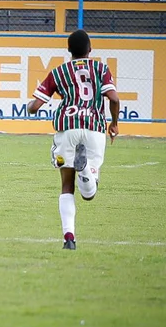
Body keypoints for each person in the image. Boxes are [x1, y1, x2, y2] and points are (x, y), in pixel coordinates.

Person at [27, 30, 120, 250]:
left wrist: (29, 107)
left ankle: (69, 237)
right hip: (94, 128)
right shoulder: (101, 69)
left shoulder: (59, 72)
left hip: (67, 128)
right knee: (89, 194)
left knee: (67, 185)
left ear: (68, 51)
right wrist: (114, 123)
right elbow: (114, 99)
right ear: (90, 49)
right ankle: (86, 170)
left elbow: (34, 107)